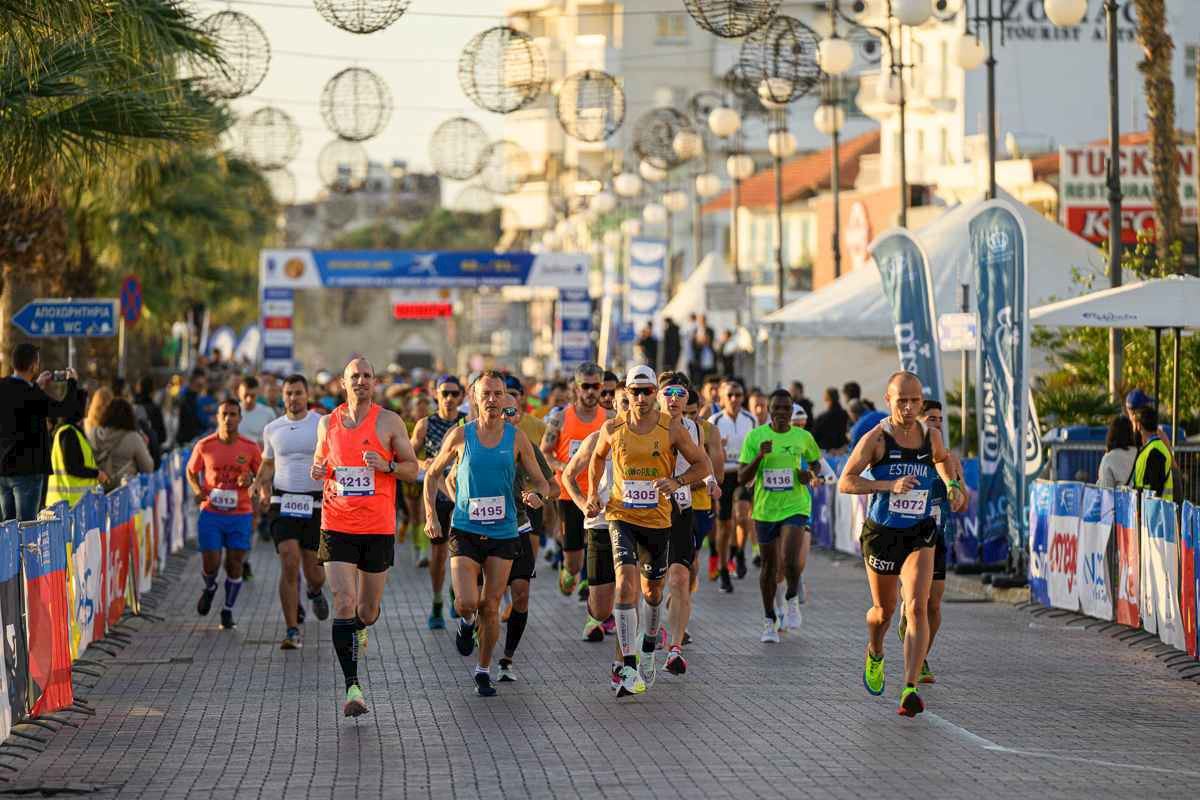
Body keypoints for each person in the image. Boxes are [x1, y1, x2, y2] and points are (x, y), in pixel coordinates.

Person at [838, 372, 966, 718]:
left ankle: (909, 687)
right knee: (884, 612)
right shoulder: (877, 439)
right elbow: (846, 482)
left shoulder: (931, 436)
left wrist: (952, 485)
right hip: (882, 534)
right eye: (901, 401)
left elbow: (941, 460)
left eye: (915, 401)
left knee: (918, 607)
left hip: (920, 531)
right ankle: (875, 649)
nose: (909, 408)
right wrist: (887, 485)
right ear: (888, 401)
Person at [423, 371, 550, 698]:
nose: (492, 399)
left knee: (491, 605)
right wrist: (431, 517)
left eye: (498, 393)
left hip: (504, 531)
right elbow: (432, 474)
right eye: (486, 394)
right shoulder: (460, 435)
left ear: (505, 398)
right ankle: (466, 625)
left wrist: (537, 496)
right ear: (474, 398)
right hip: (465, 528)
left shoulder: (516, 437)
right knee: (467, 602)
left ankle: (483, 670)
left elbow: (541, 481)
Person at [587, 365, 710, 698]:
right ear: (625, 393)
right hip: (620, 515)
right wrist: (590, 496)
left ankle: (651, 643)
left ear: (655, 393)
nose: (641, 398)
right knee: (625, 584)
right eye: (635, 391)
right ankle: (628, 665)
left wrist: (677, 481)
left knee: (653, 593)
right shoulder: (612, 427)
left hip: (658, 521)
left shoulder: (671, 428)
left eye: (647, 391)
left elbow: (704, 465)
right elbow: (596, 460)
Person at [311, 357, 418, 717]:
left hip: (377, 527)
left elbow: (412, 468)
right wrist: (319, 470)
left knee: (366, 611)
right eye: (354, 376)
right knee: (343, 601)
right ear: (343, 383)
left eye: (367, 376)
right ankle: (352, 687)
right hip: (337, 523)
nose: (361, 381)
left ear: (375, 383)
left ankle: (362, 624)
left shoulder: (389, 422)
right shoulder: (327, 423)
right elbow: (321, 463)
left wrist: (387, 466)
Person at [738, 390, 824, 642]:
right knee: (768, 568)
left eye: (787, 409)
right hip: (765, 509)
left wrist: (810, 473)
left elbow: (815, 462)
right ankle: (769, 620)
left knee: (789, 559)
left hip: (795, 505)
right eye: (777, 408)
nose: (782, 414)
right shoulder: (756, 437)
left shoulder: (803, 437)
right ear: (769, 410)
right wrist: (759, 456)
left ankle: (792, 598)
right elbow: (743, 477)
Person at [253, 374, 330, 650]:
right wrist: (261, 488)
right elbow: (267, 464)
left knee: (315, 571)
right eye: (288, 393)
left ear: (306, 395)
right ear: (282, 396)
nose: (293, 398)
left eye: (298, 393)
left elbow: (333, 457)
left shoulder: (321, 423)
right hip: (282, 502)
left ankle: (314, 590)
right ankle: (292, 630)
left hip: (315, 503)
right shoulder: (272, 428)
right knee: (288, 559)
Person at [896, 400, 966, 685]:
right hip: (906, 533)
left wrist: (956, 493)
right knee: (917, 603)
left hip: (937, 533)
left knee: (934, 606)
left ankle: (921, 654)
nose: (936, 423)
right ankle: (915, 657)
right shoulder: (905, 454)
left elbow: (962, 501)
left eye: (939, 419)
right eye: (931, 419)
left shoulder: (948, 457)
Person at [657, 372, 718, 675]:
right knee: (651, 587)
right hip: (644, 511)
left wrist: (708, 482)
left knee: (681, 577)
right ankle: (650, 629)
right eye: (668, 393)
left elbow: (701, 461)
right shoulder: (640, 426)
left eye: (681, 393)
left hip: (680, 508)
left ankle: (675, 648)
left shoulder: (694, 429)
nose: (675, 399)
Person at [186, 399, 262, 631]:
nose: (228, 419)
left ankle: (227, 609)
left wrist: (250, 481)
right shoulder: (205, 445)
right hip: (211, 513)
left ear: (240, 418)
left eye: (233, 414)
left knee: (234, 563)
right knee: (212, 562)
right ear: (217, 418)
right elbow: (191, 471)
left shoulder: (250, 447)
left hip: (240, 514)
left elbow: (261, 476)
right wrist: (198, 490)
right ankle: (209, 587)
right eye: (224, 414)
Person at [542, 363, 609, 598]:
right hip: (569, 494)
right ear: (576, 388)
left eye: (596, 386)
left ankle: (591, 588)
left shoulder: (609, 419)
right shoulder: (560, 418)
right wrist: (565, 467)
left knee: (597, 549)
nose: (591, 392)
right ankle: (570, 572)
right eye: (585, 386)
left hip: (599, 494)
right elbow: (545, 453)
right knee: (573, 561)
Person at [409, 374, 467, 629]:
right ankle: (436, 603)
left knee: (465, 553)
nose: (450, 398)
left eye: (455, 394)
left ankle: (459, 593)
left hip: (464, 495)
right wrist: (425, 464)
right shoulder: (425, 424)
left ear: (462, 396)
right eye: (445, 393)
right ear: (436, 395)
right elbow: (408, 457)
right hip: (437, 495)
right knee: (439, 553)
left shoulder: (468, 424)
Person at [564, 419, 620, 680]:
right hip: (599, 525)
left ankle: (627, 659)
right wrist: (583, 501)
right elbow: (568, 475)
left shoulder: (650, 436)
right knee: (601, 610)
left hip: (633, 524)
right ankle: (594, 610)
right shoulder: (595, 438)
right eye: (621, 402)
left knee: (630, 591)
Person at [0, 344, 80, 522]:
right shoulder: (33, 395)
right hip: (28, 470)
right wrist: (72, 383)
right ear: (33, 366)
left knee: (8, 526)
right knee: (27, 525)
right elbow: (64, 409)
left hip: (3, 469)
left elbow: (20, 401)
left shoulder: (4, 387)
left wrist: (37, 386)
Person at [709, 379, 757, 591]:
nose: (734, 399)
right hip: (723, 476)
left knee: (744, 513)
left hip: (743, 474)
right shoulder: (715, 421)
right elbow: (705, 453)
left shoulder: (751, 420)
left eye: (738, 395)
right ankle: (723, 570)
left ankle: (739, 552)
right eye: (730, 395)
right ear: (722, 398)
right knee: (725, 525)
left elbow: (756, 448)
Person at [686, 390, 724, 584]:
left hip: (699, 506)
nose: (687, 419)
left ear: (699, 409)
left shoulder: (710, 431)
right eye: (683, 413)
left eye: (692, 413)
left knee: (691, 560)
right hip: (671, 505)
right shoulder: (666, 429)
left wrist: (682, 484)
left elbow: (718, 475)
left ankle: (685, 593)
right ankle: (679, 591)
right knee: (676, 561)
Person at [46, 392, 106, 509]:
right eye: (86, 404)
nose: (88, 408)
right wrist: (97, 474)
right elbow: (72, 466)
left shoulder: (71, 431)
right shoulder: (68, 433)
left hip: (70, 502)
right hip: (68, 504)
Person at [91, 398, 155, 491]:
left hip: (100, 495)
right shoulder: (133, 438)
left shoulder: (95, 435)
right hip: (124, 495)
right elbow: (148, 468)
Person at [1130, 405, 1173, 501]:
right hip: (1150, 512)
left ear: (1138, 425)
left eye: (1133, 425)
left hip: (1154, 513)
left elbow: (1154, 490)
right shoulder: (1152, 448)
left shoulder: (1154, 451)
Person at [134, 377, 167, 469]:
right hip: (153, 457)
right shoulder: (155, 409)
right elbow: (163, 436)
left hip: (136, 460)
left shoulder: (131, 408)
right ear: (152, 391)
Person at [1098, 415, 1138, 489]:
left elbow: (1105, 491)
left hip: (1119, 499)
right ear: (1131, 433)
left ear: (1111, 434)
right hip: (1139, 499)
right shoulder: (1140, 453)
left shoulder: (1108, 458)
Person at [237, 376, 278, 445]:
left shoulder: (268, 413)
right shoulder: (230, 412)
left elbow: (275, 439)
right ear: (239, 393)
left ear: (258, 393)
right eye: (245, 395)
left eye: (252, 396)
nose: (249, 400)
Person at [811, 387, 850, 452]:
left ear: (826, 399)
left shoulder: (822, 418)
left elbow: (813, 437)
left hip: (828, 451)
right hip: (844, 448)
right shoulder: (846, 414)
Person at [175, 368, 208, 445]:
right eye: (203, 379)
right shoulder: (187, 396)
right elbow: (194, 419)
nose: (204, 382)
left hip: (190, 438)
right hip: (187, 440)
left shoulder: (194, 396)